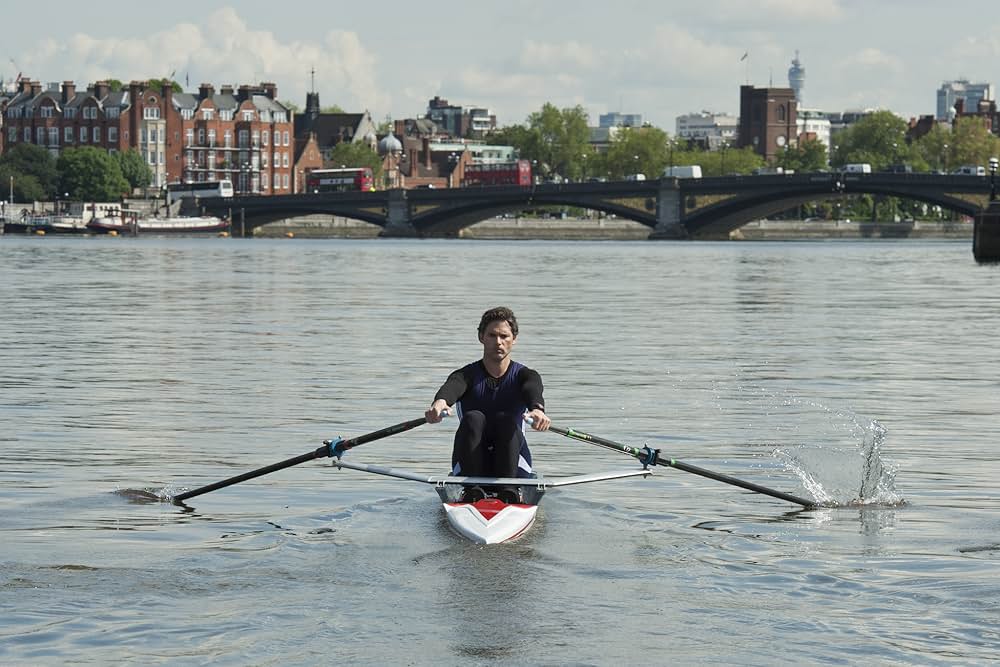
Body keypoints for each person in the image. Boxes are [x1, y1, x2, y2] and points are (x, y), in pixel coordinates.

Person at [425, 306, 550, 503]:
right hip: (469, 465)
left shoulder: (526, 375)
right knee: (474, 418)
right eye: (492, 335)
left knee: (506, 420)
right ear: (481, 337)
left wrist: (537, 410)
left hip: (515, 466)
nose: (498, 342)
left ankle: (509, 490)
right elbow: (451, 389)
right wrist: (439, 404)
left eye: (504, 336)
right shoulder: (465, 375)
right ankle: (471, 490)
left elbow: (532, 390)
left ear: (514, 339)